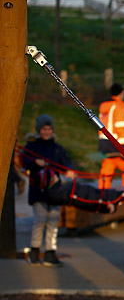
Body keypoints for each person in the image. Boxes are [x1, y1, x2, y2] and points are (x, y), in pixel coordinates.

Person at [21, 114, 76, 267]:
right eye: (44, 129)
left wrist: (69, 170)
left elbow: (66, 162)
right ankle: (35, 251)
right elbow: (24, 162)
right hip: (39, 190)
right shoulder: (32, 147)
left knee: (53, 221)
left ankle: (50, 252)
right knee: (39, 220)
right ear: (39, 130)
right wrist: (34, 162)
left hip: (54, 191)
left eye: (49, 129)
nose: (47, 132)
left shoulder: (57, 149)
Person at [97, 82, 124, 190]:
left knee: (107, 169)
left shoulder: (104, 106)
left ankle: (103, 193)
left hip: (104, 142)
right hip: (116, 143)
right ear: (121, 93)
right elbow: (121, 126)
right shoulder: (118, 106)